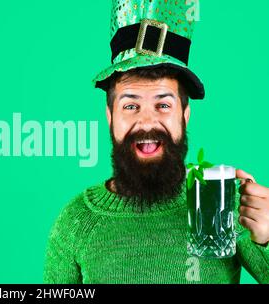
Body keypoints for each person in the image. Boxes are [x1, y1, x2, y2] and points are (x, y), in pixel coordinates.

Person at [43, 0, 269, 284]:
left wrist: (268, 238)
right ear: (110, 117)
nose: (147, 122)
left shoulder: (219, 201)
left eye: (163, 105)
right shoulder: (77, 223)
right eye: (130, 106)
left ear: (184, 116)